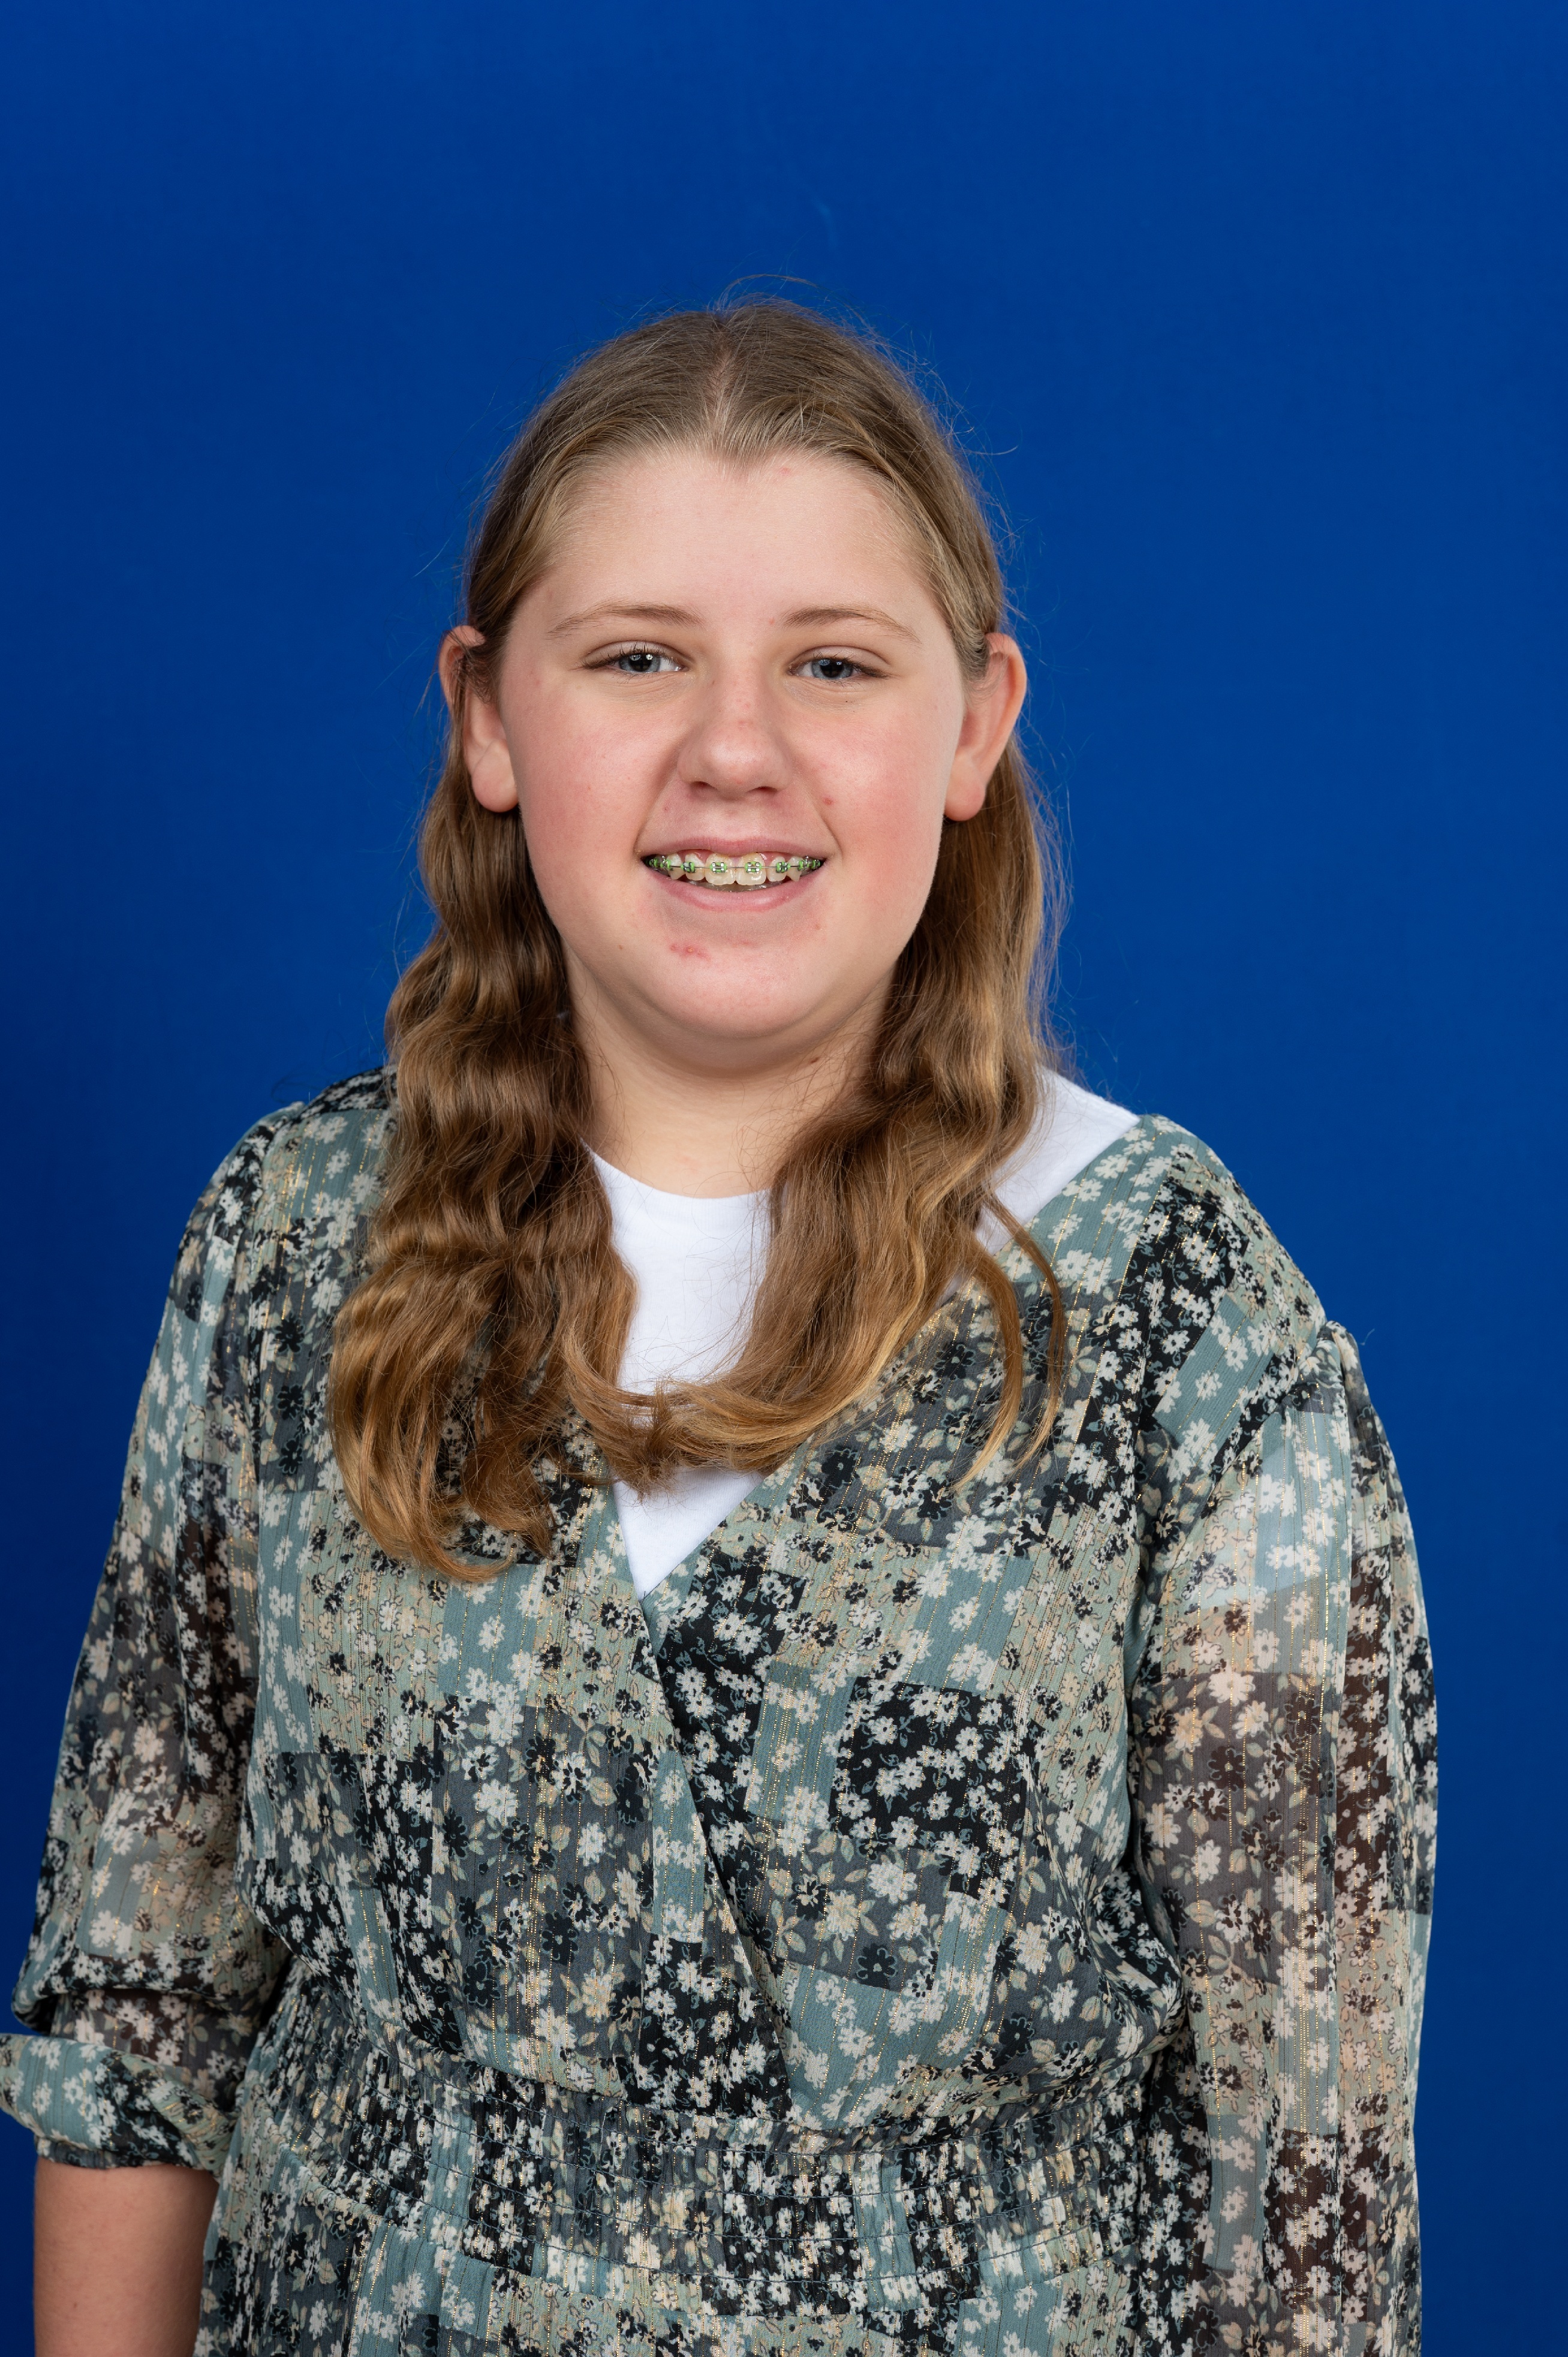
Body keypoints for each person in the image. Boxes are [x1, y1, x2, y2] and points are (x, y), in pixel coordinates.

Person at [0, 302, 1435, 2357]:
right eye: (638, 657)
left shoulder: (1182, 1320)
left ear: (974, 727)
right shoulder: (297, 1245)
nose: (733, 749)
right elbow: (139, 2024)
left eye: (834, 663)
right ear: (491, 718)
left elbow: (1308, 2206)